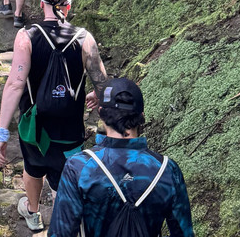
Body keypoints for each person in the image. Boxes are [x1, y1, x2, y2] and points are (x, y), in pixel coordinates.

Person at [0, 0, 108, 234]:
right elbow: (101, 82)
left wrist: (1, 133)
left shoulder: (26, 37)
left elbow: (14, 85)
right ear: (68, 5)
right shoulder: (85, 39)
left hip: (34, 130)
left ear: (41, 1)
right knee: (66, 180)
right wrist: (96, 96)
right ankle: (65, 225)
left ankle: (33, 213)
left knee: (33, 168)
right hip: (69, 133)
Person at [48, 78, 194, 237]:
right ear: (141, 116)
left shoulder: (78, 167)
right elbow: (183, 233)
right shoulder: (167, 169)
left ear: (101, 114)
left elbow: (61, 233)